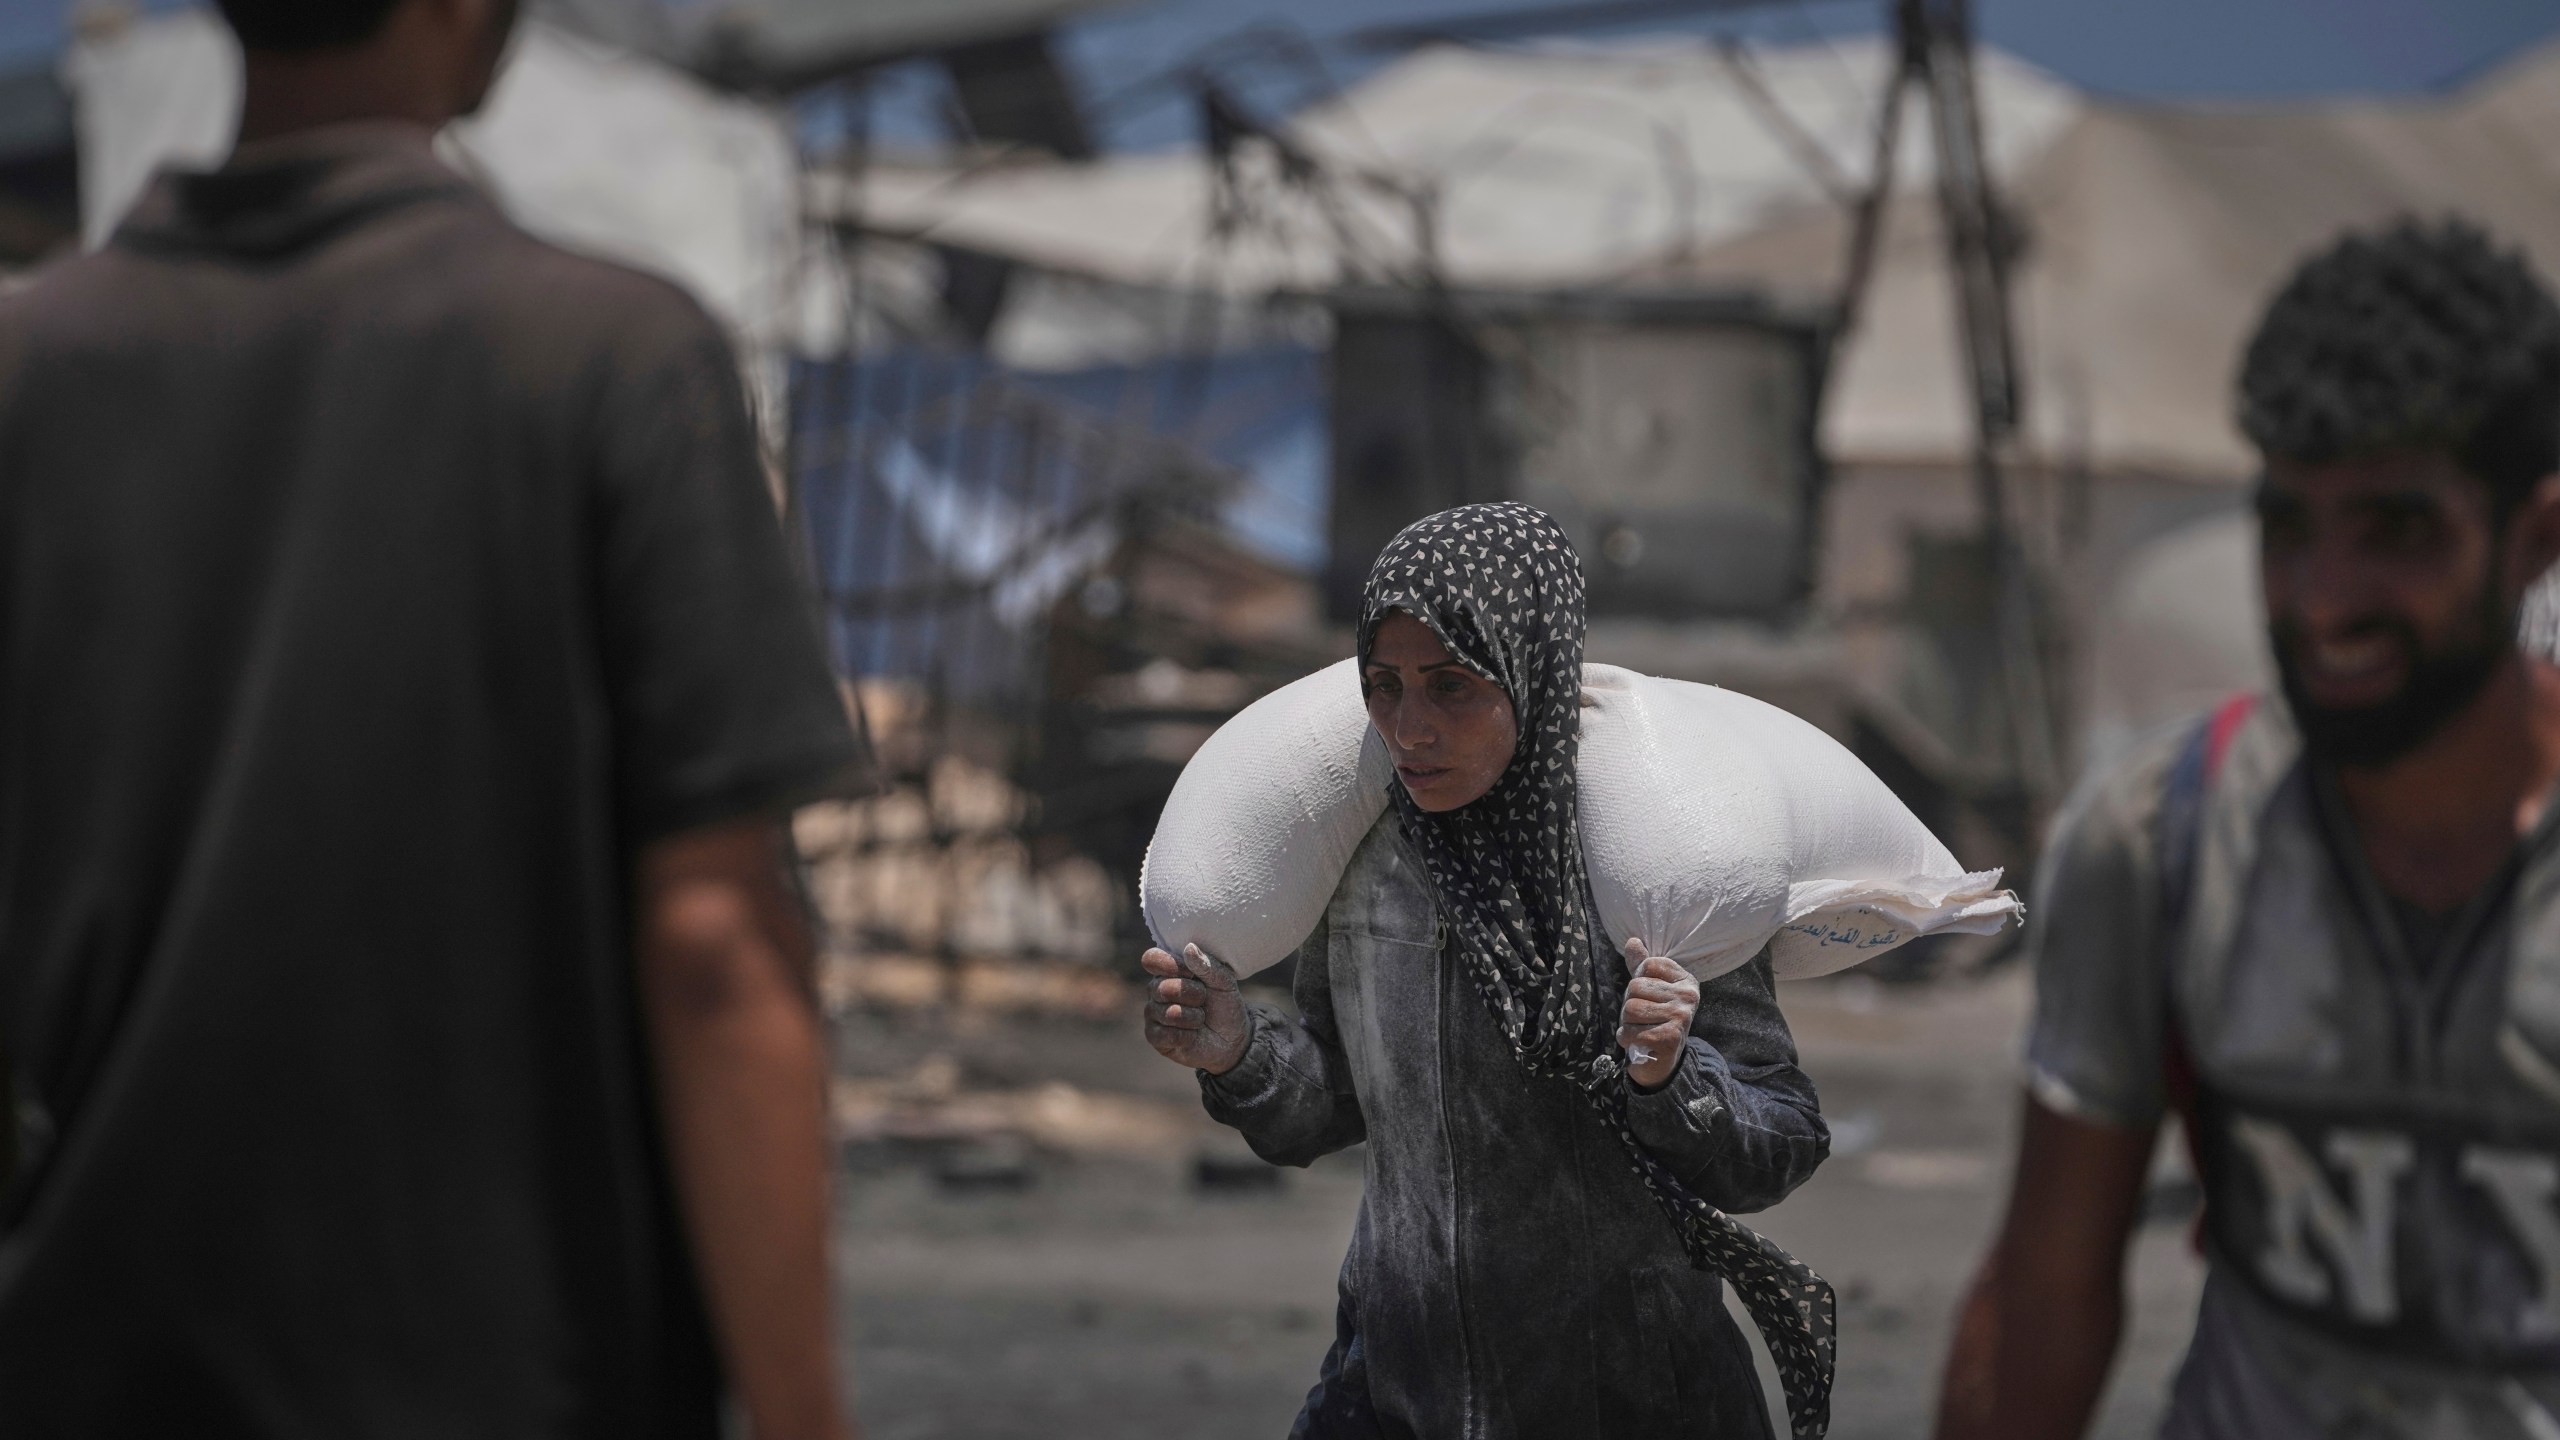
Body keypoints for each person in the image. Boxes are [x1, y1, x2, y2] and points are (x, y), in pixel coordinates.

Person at [0, 1, 869, 1436]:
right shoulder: (610, 358)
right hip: (516, 1376)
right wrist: (802, 1411)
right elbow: (715, 939)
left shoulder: (32, 382)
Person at [1934, 217, 2560, 1440]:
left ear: (2535, 537)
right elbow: (2047, 1292)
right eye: (2287, 527)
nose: (2323, 599)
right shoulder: (2160, 838)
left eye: (2396, 532)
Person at [1141, 503, 1835, 1439]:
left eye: (1452, 686)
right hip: (1395, 1388)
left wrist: (1672, 1076)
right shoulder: (1369, 863)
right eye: (1383, 687)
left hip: (1630, 1403)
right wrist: (1236, 1052)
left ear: (1530, 672)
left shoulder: (1651, 868)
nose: (1409, 727)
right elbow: (1330, 1104)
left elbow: (1781, 1139)